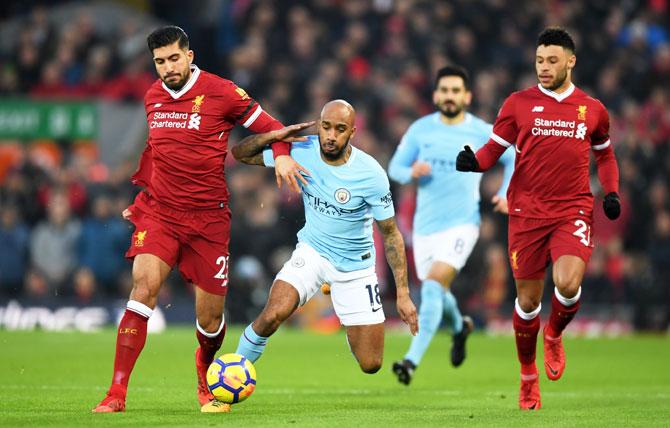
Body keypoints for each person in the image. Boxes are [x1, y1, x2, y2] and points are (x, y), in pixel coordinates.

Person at [92, 26, 309, 413]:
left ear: (189, 56)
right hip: (161, 213)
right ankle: (116, 393)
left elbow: (272, 128)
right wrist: (143, 195)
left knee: (209, 321)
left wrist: (283, 155)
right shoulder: (152, 97)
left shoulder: (222, 91)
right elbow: (157, 150)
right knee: (142, 290)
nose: (167, 67)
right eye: (160, 61)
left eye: (174, 58)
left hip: (208, 221)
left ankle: (205, 372)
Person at [456, 27, 621, 410]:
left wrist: (610, 192)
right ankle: (527, 375)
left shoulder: (592, 109)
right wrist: (472, 163)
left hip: (572, 209)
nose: (543, 68)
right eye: (538, 61)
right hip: (526, 213)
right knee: (527, 303)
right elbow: (492, 149)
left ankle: (555, 333)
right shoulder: (518, 104)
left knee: (566, 284)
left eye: (551, 61)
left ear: (570, 61)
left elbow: (606, 156)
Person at [226, 99, 419, 410]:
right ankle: (233, 372)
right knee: (273, 314)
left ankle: (349, 316)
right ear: (319, 124)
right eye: (325, 127)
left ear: (352, 132)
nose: (330, 135)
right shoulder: (301, 150)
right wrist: (275, 139)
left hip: (356, 267)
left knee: (371, 363)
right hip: (313, 252)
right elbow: (240, 154)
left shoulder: (371, 174)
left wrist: (404, 293)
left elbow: (391, 234)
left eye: (339, 129)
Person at [387, 65, 514, 385]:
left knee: (431, 288)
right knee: (437, 291)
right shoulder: (420, 130)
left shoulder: (482, 130)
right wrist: (411, 171)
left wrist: (504, 192)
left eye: (456, 91)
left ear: (467, 96)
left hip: (462, 225)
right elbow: (395, 168)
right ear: (435, 95)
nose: (449, 96)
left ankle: (410, 361)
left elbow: (511, 154)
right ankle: (460, 328)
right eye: (444, 90)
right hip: (425, 228)